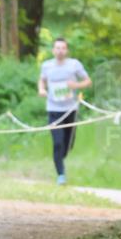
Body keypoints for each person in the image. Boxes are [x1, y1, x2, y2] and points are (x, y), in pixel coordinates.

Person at [38, 38, 92, 185]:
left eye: (63, 48)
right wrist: (41, 89)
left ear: (66, 50)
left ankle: (60, 159)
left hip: (70, 111)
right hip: (53, 110)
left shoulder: (74, 65)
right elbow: (42, 80)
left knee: (68, 145)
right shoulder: (46, 66)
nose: (60, 50)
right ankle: (61, 175)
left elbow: (88, 81)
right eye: (57, 48)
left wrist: (75, 85)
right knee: (58, 143)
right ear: (53, 50)